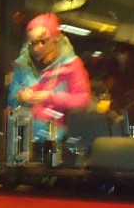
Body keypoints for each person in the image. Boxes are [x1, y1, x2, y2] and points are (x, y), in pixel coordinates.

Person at [8, 13, 91, 141]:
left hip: (58, 138)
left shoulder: (71, 65)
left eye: (43, 41)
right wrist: (19, 97)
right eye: (32, 42)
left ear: (55, 39)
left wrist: (50, 97)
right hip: (23, 135)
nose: (37, 48)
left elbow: (83, 99)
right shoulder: (22, 65)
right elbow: (11, 99)